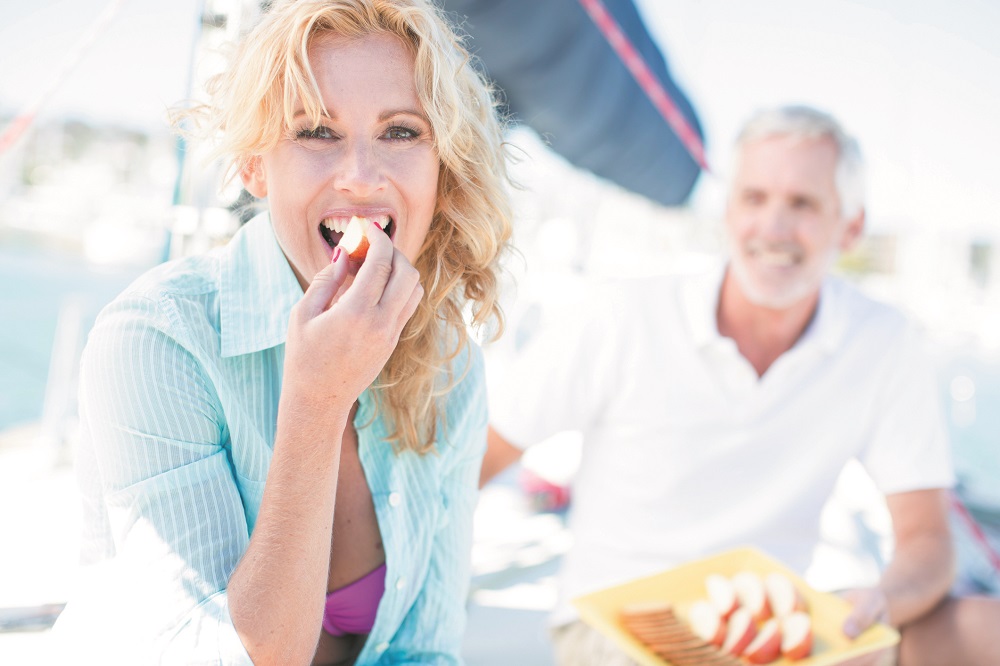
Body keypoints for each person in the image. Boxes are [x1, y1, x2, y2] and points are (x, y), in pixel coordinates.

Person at [53, 0, 512, 663]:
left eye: (401, 131)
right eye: (317, 131)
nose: (361, 175)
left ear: (442, 166)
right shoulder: (157, 339)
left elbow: (426, 648)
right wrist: (317, 403)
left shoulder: (450, 364)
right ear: (255, 166)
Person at [481, 105, 1000, 665]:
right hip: (618, 625)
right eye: (754, 198)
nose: (773, 227)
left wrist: (883, 600)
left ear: (850, 227)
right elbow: (474, 459)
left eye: (802, 204)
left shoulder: (883, 341)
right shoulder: (620, 316)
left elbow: (926, 540)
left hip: (773, 628)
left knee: (983, 630)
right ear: (729, 213)